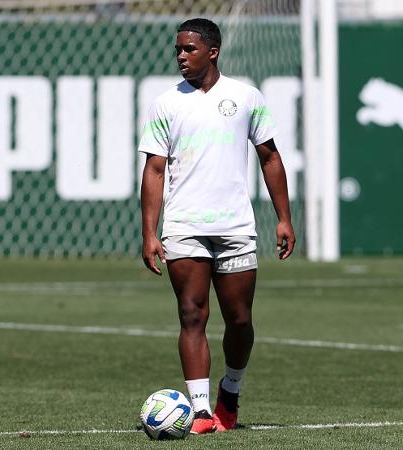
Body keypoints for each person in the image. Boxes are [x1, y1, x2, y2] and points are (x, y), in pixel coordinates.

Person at [139, 18, 295, 434]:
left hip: (235, 226)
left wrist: (284, 218)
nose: (181, 57)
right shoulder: (165, 103)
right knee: (192, 314)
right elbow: (154, 169)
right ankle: (203, 412)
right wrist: (149, 232)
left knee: (239, 319)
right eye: (177, 50)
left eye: (189, 49)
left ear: (213, 51)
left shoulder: (246, 97)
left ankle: (231, 391)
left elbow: (270, 157)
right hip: (184, 224)